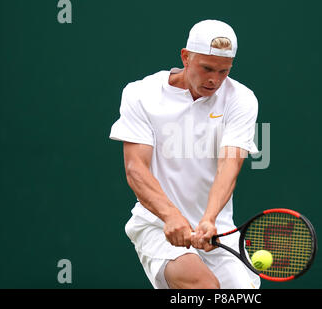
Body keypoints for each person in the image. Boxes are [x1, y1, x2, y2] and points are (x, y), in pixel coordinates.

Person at [109, 19, 260, 289]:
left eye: (224, 71)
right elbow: (136, 169)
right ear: (186, 57)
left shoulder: (242, 99)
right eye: (206, 68)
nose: (214, 79)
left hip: (216, 231)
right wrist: (170, 215)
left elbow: (230, 164)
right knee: (203, 286)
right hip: (156, 226)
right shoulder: (141, 94)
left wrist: (209, 219)